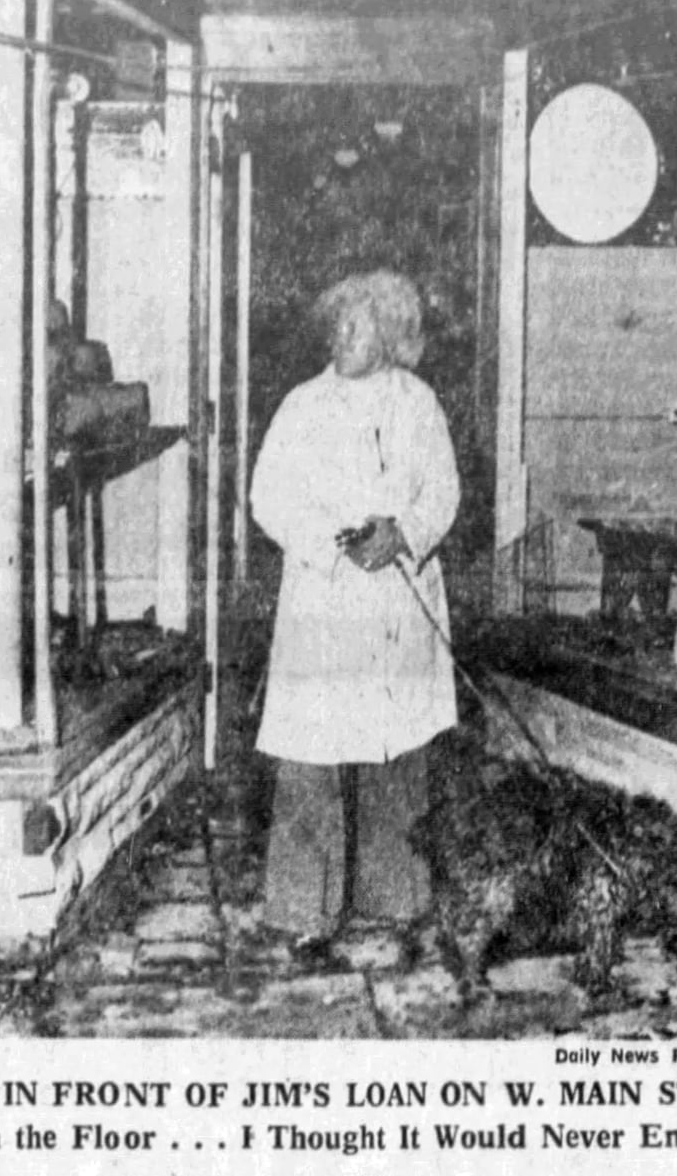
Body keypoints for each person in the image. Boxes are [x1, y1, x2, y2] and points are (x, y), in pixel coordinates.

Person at [249, 269, 460, 955]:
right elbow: (267, 497)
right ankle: (304, 907)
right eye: (338, 321)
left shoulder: (419, 403)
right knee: (313, 749)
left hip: (397, 594)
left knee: (395, 746)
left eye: (359, 323)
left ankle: (396, 896)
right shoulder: (302, 405)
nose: (342, 333)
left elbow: (443, 493)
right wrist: (329, 544)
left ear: (394, 336)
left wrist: (402, 533)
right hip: (326, 594)